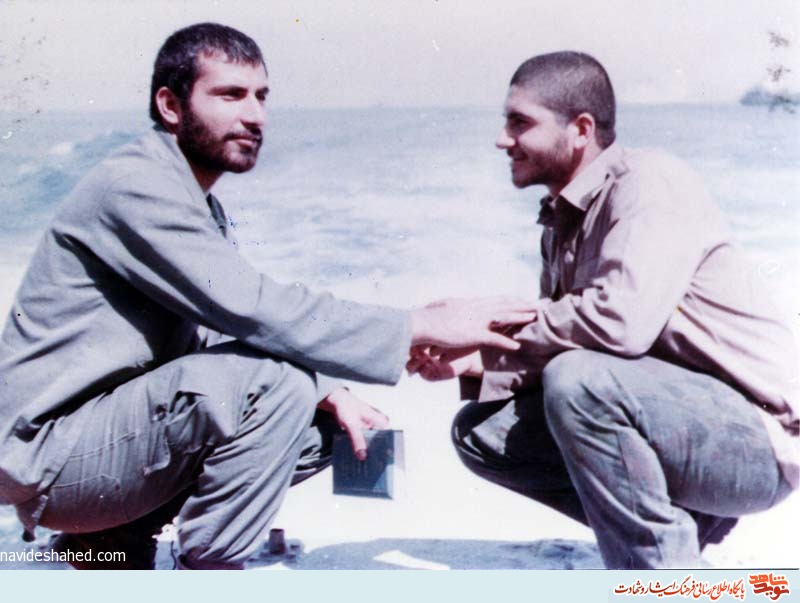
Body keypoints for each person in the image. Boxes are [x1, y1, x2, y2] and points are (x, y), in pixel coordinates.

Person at [0, 23, 535, 570]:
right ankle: (209, 566)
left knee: (317, 421)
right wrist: (418, 325)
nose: (255, 116)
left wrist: (329, 390)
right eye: (230, 95)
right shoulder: (135, 187)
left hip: (95, 445)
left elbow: (217, 329)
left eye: (261, 96)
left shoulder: (192, 198)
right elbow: (253, 307)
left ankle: (108, 542)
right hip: (46, 456)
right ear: (170, 105)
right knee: (274, 385)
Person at [408, 51, 799, 569]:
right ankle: (681, 533)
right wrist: (473, 362)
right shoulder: (562, 219)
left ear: (581, 129)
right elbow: (571, 340)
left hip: (760, 442)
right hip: (681, 423)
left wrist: (487, 336)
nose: (502, 139)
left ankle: (660, 578)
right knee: (482, 432)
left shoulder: (650, 183)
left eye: (520, 123)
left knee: (578, 380)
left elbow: (619, 324)